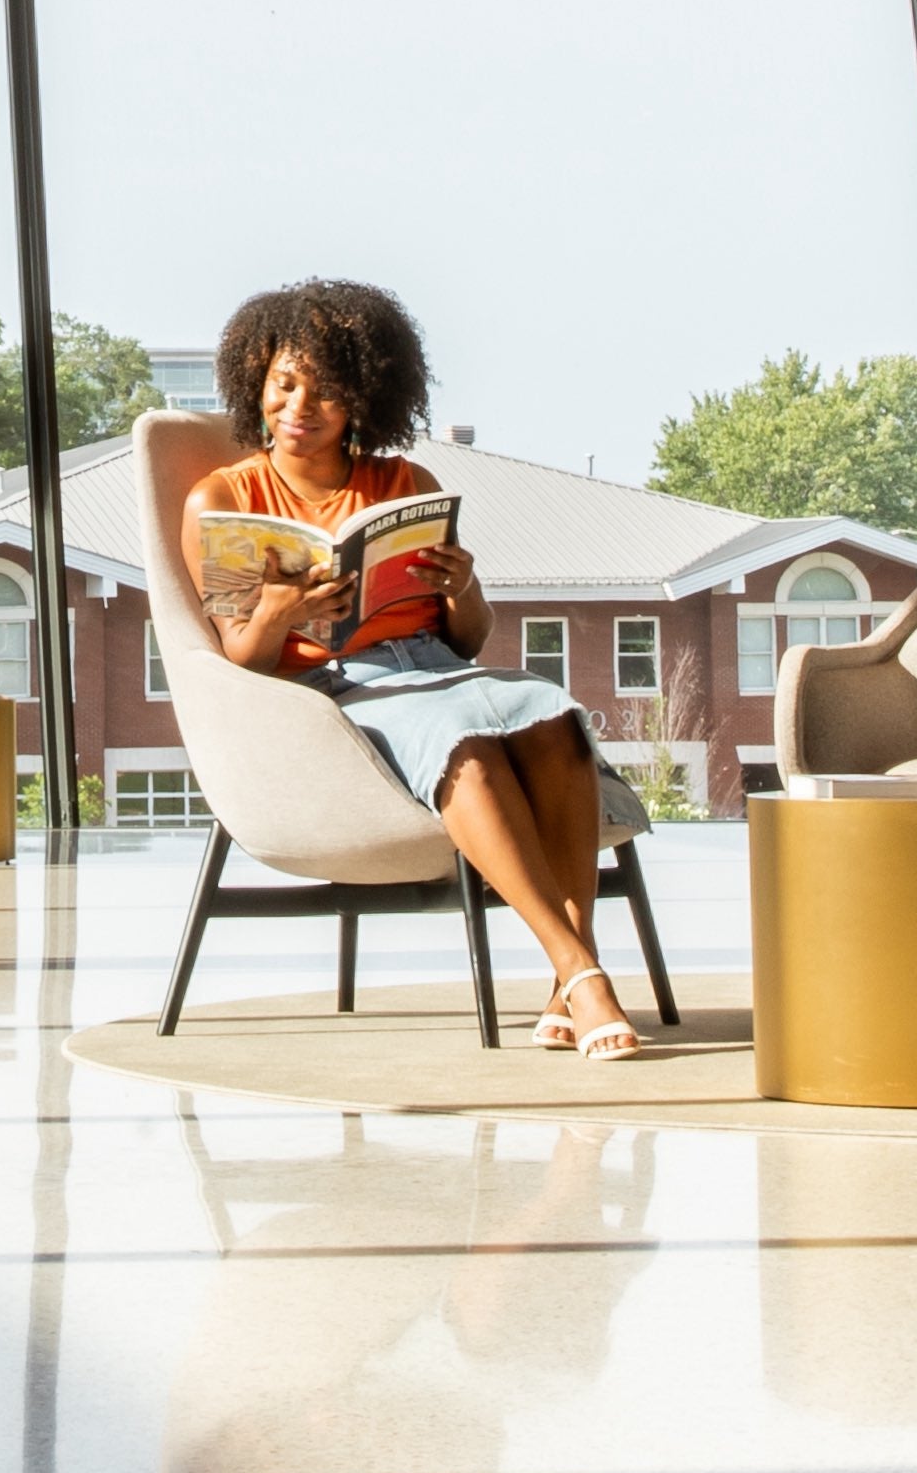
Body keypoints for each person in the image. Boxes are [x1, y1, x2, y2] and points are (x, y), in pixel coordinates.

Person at [186, 277, 642, 1054]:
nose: (299, 407)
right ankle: (584, 975)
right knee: (466, 741)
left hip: (437, 666)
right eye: (284, 385)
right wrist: (284, 610)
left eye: (325, 393)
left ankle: (567, 976)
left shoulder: (406, 484)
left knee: (553, 716)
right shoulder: (224, 497)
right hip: (337, 686)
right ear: (255, 384)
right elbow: (243, 661)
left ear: (363, 398)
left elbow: (467, 640)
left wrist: (462, 583)